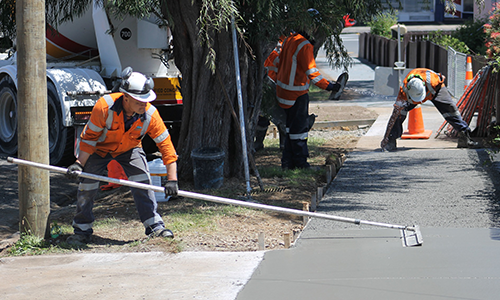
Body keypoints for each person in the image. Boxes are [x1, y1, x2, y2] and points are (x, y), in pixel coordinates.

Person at [65, 67, 179, 245]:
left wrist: (172, 179)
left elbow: (166, 147)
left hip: (129, 149)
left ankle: (154, 226)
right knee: (87, 185)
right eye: (139, 101)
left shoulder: (150, 114)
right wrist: (79, 164)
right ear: (125, 97)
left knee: (143, 181)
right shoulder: (104, 107)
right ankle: (82, 229)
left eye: (146, 100)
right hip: (99, 150)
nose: (144, 104)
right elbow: (89, 139)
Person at [275, 31, 348, 169]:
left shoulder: (290, 38)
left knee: (291, 129)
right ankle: (301, 164)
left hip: (283, 92)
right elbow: (312, 73)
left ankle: (287, 163)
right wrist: (331, 86)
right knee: (299, 131)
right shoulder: (304, 45)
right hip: (296, 93)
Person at [380, 68, 479, 151]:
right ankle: (390, 141)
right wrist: (386, 137)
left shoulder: (433, 80)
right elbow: (394, 114)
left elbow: (442, 78)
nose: (421, 101)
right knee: (399, 115)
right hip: (420, 92)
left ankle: (465, 136)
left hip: (436, 90)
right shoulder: (403, 92)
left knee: (451, 110)